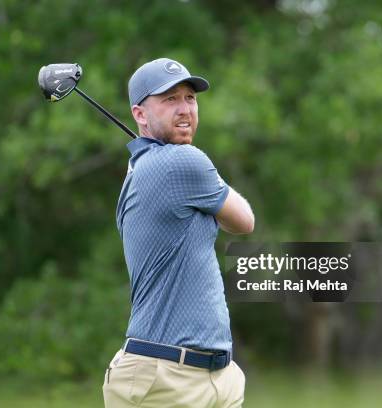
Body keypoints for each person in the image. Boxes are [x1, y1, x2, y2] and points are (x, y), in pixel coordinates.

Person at [103, 58, 255, 408]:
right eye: (170, 100)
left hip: (216, 375)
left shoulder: (144, 165)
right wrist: (210, 180)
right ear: (140, 115)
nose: (185, 109)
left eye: (190, 98)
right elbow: (244, 220)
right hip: (166, 376)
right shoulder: (182, 162)